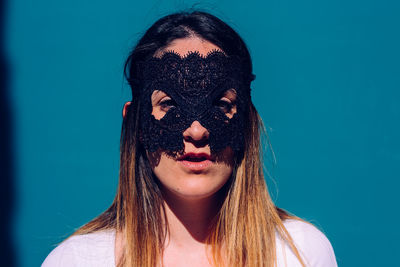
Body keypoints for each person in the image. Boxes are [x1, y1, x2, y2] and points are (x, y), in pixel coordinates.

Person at [42, 11, 337, 267]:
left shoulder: (299, 253)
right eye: (170, 105)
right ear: (137, 124)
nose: (196, 132)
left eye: (220, 106)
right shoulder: (76, 261)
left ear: (247, 121)